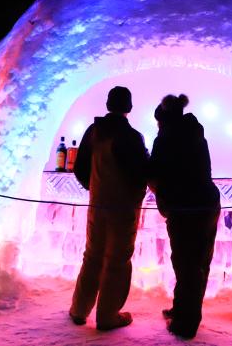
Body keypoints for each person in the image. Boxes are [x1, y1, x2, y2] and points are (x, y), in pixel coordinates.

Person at [69, 86, 149, 330]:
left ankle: (79, 310)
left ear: (107, 104)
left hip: (97, 205)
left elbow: (80, 168)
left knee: (92, 256)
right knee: (117, 261)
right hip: (123, 209)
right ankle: (107, 316)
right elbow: (140, 174)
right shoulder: (132, 137)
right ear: (129, 107)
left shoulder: (93, 131)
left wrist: (95, 188)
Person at [148, 94, 221, 339]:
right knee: (198, 263)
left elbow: (154, 173)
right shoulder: (196, 133)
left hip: (185, 208)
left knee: (186, 265)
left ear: (163, 120)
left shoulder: (166, 139)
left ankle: (185, 325)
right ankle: (182, 310)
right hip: (207, 205)